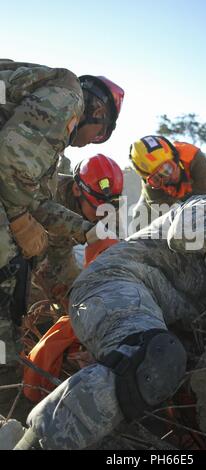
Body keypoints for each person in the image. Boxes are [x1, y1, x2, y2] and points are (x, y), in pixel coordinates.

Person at [14, 195, 206, 450]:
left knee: (162, 371)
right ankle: (36, 445)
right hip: (114, 281)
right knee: (150, 359)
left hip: (137, 311)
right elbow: (184, 235)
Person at [0, 59, 124, 409]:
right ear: (95, 111)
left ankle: (6, 372)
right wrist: (21, 222)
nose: (88, 144)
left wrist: (87, 232)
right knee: (7, 262)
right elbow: (9, 165)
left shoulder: (49, 153)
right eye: (97, 135)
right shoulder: (68, 97)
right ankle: (5, 378)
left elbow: (36, 199)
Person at [33, 154, 124, 307]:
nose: (102, 216)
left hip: (58, 252)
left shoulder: (108, 207)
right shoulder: (47, 191)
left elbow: (116, 254)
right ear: (76, 189)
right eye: (97, 209)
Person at [129, 135, 206, 227]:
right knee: (140, 214)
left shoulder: (193, 156)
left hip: (196, 195)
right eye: (157, 178)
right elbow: (166, 212)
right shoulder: (150, 186)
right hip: (171, 203)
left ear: (175, 157)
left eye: (167, 168)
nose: (167, 177)